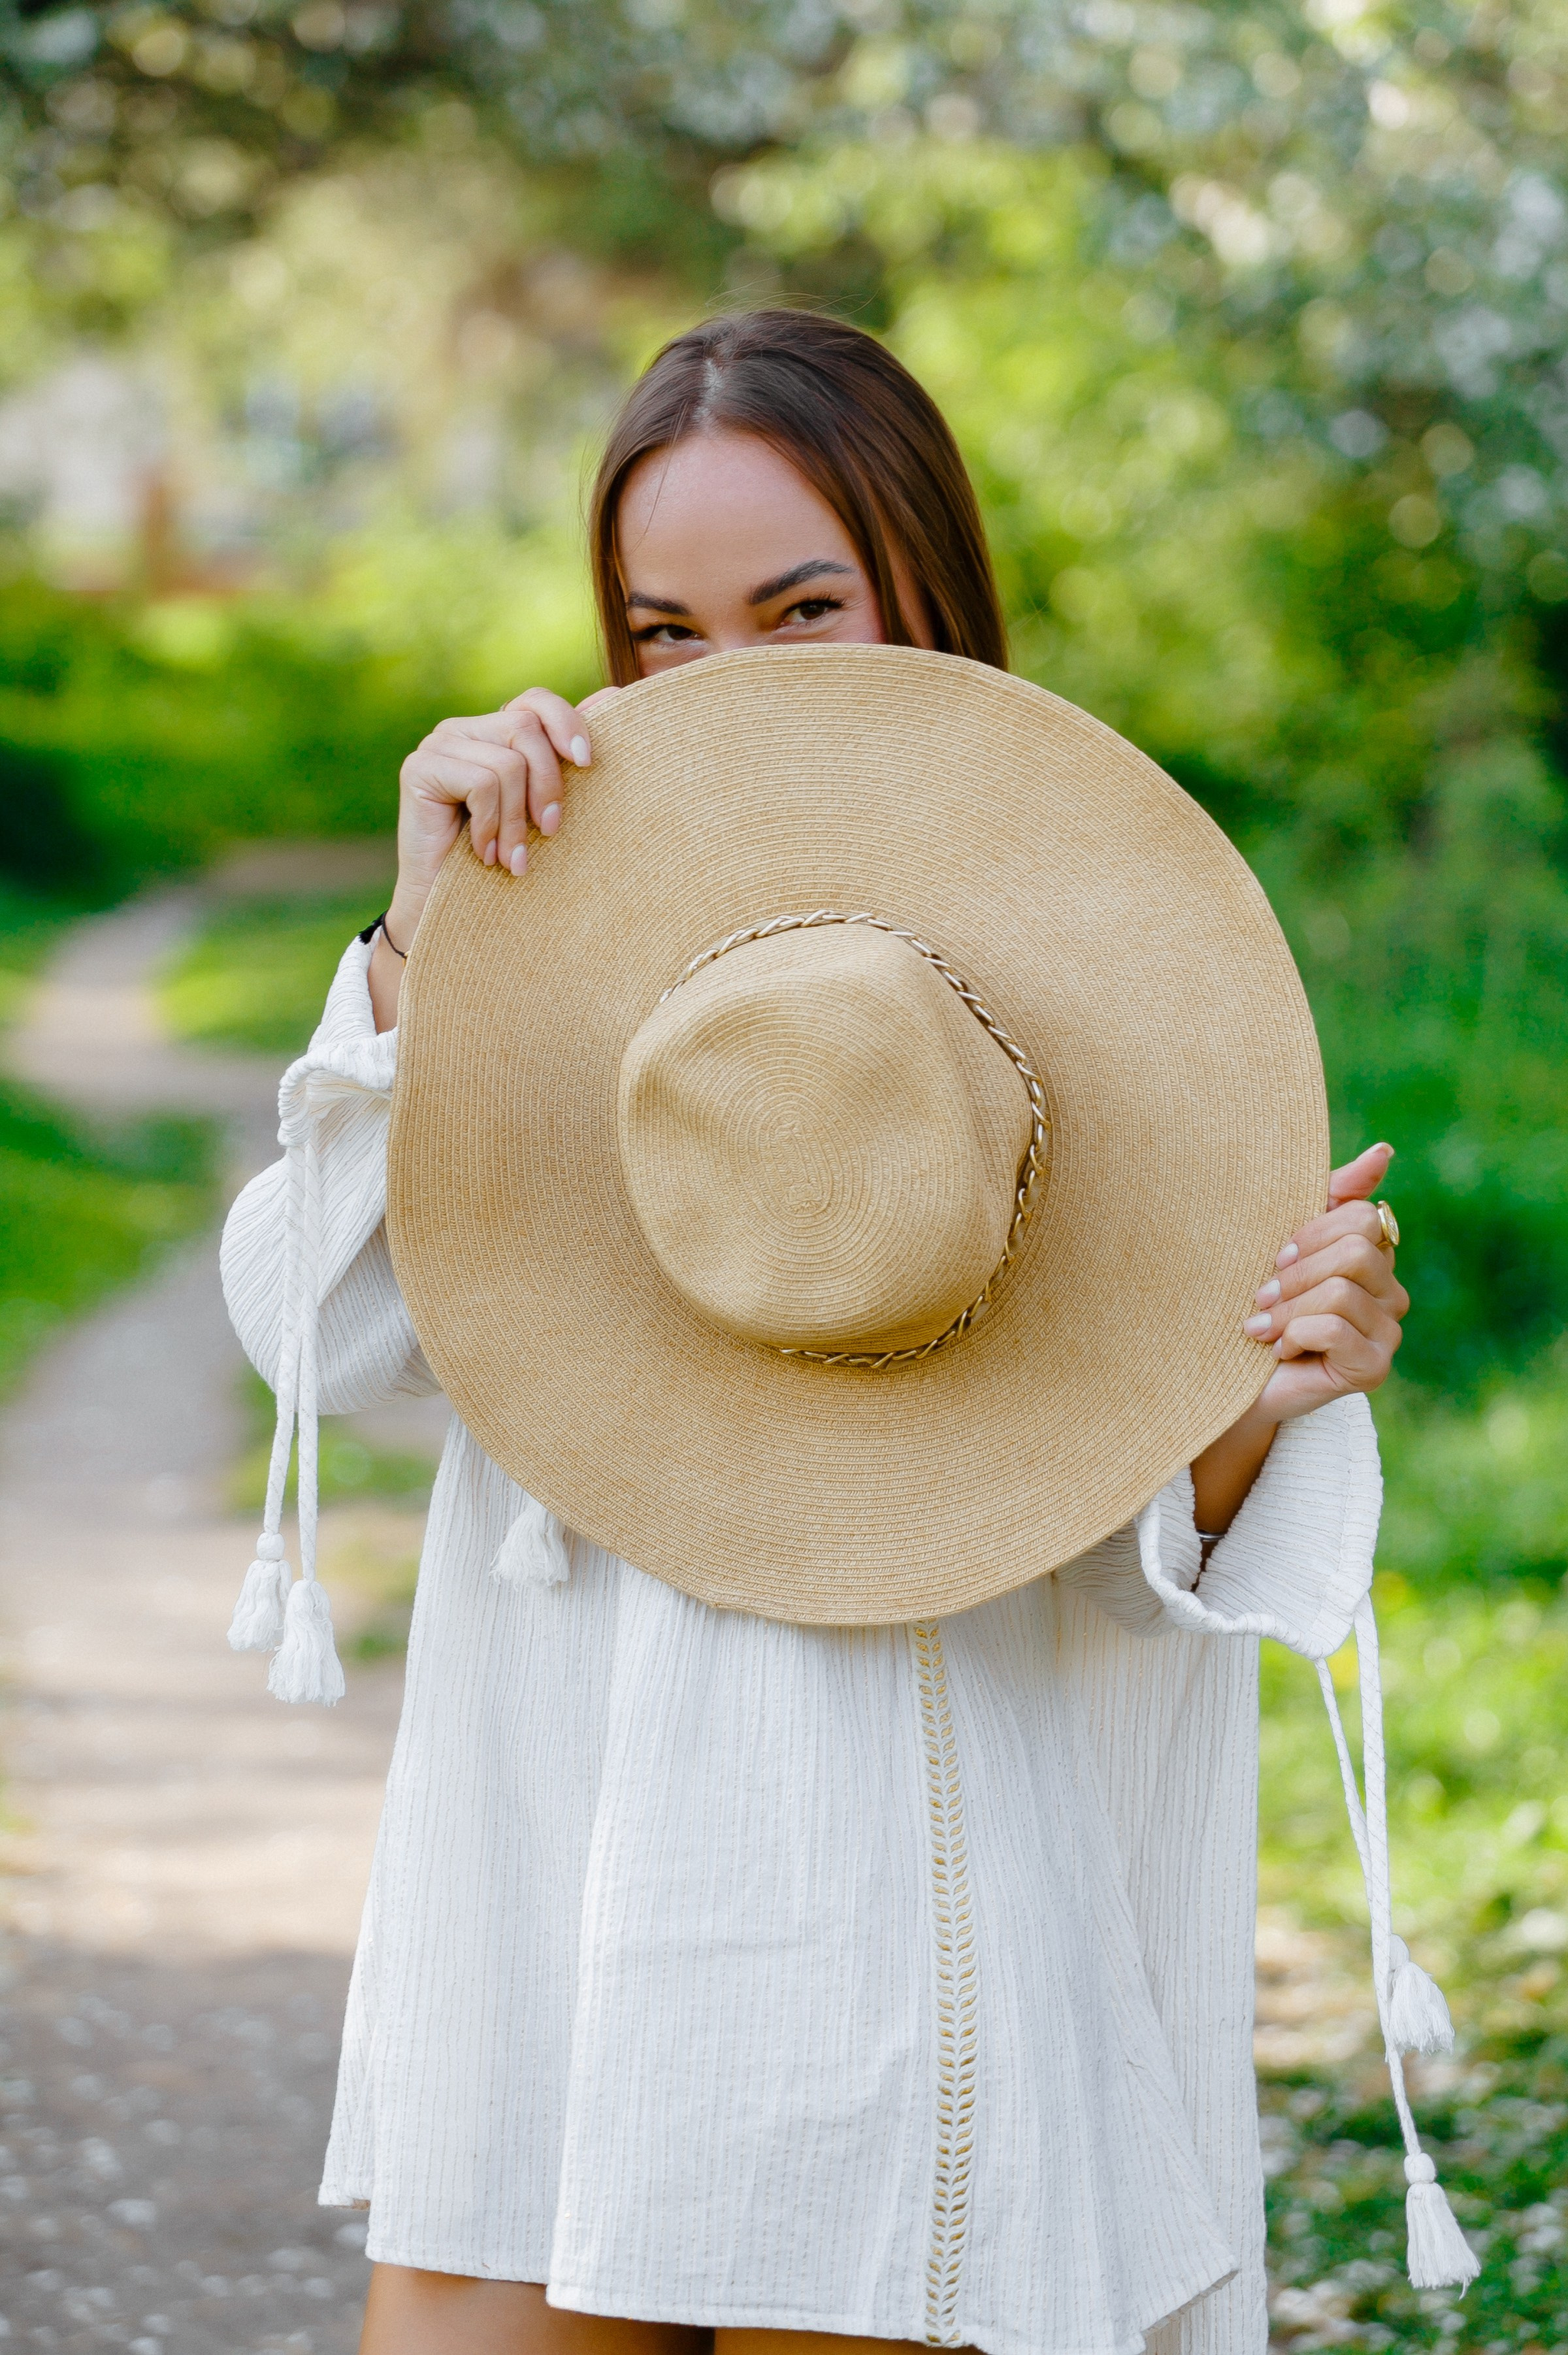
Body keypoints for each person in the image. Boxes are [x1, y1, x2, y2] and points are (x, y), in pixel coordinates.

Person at [223, 312, 1418, 2355]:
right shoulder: (556, 926)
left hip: (894, 1892)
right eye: (659, 628)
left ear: (917, 588)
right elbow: (320, 1344)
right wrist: (424, 939)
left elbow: (1139, 1559)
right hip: (557, 1862)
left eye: (799, 606)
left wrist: (1269, 1393)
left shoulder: (1099, 966)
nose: (722, 685)